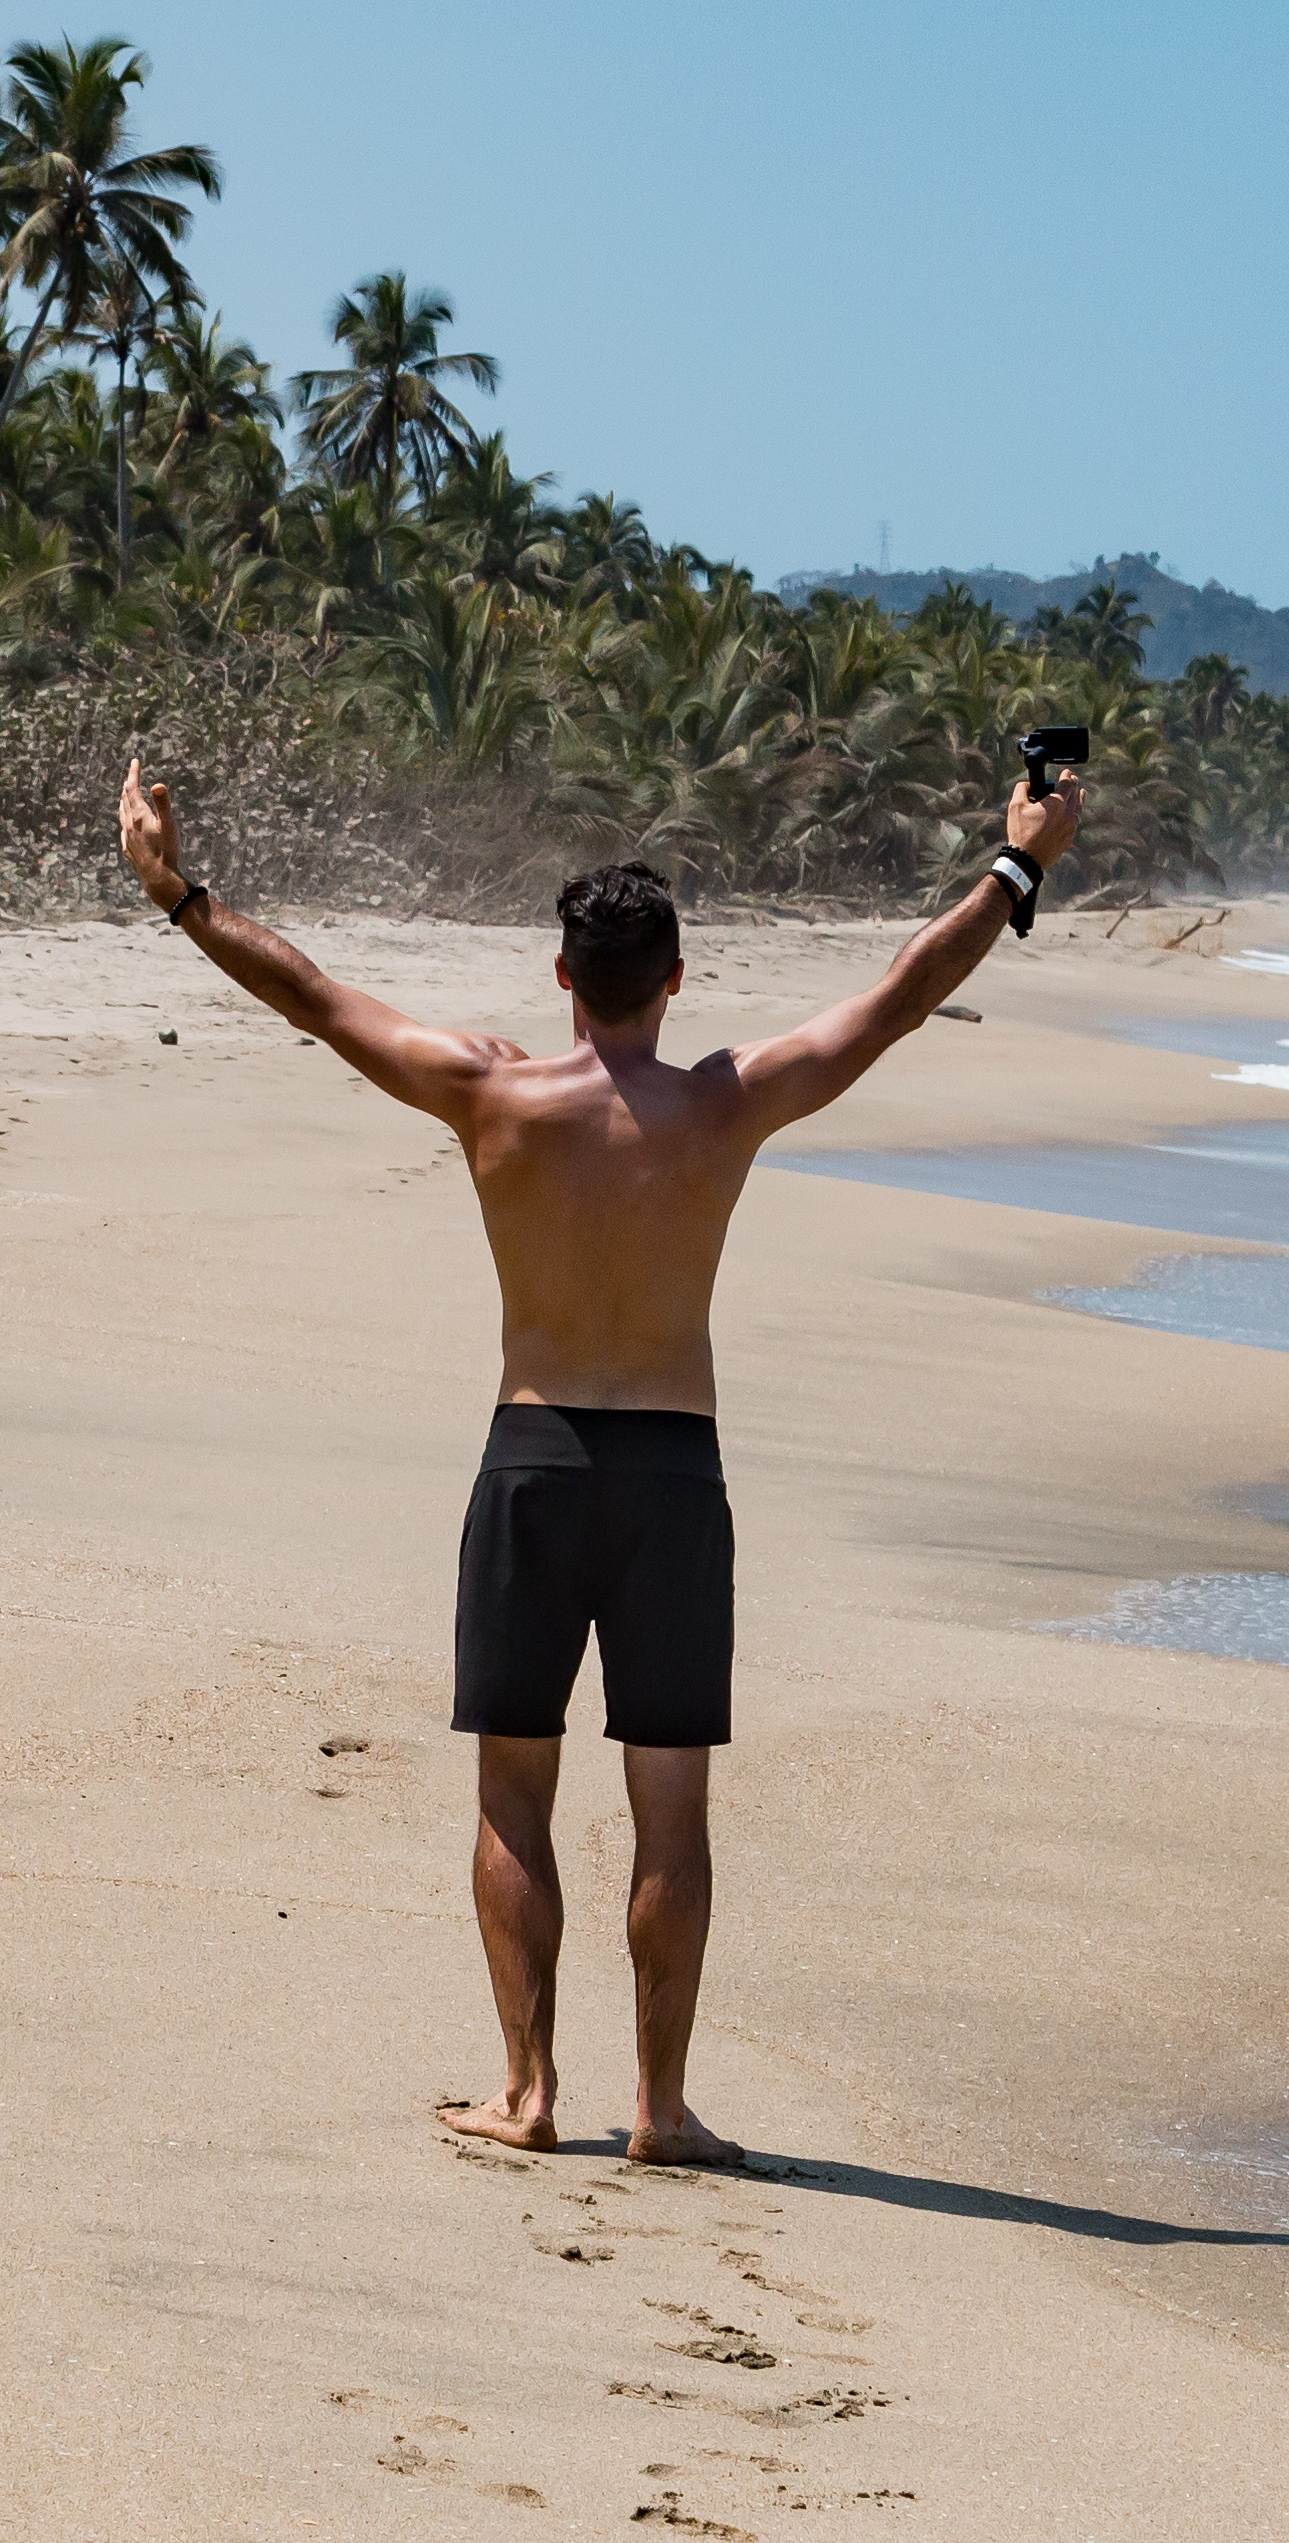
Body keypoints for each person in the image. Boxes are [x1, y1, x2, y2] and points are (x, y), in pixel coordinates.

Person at [114, 752, 1085, 2165]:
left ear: (560, 977)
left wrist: (181, 894)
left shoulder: (493, 1097)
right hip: (673, 1484)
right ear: (677, 979)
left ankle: (527, 2094)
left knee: (516, 1788)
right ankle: (663, 2108)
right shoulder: (721, 1106)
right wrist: (1021, 863)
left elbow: (315, 998)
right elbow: (893, 1000)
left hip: (533, 1464)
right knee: (670, 1802)